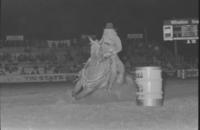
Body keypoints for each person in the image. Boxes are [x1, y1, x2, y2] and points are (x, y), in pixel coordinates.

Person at [99, 22, 125, 89]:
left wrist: (112, 52)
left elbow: (120, 48)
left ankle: (110, 86)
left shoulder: (114, 37)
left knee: (117, 70)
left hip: (112, 55)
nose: (108, 30)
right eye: (107, 29)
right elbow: (100, 44)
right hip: (106, 55)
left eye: (109, 29)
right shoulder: (105, 37)